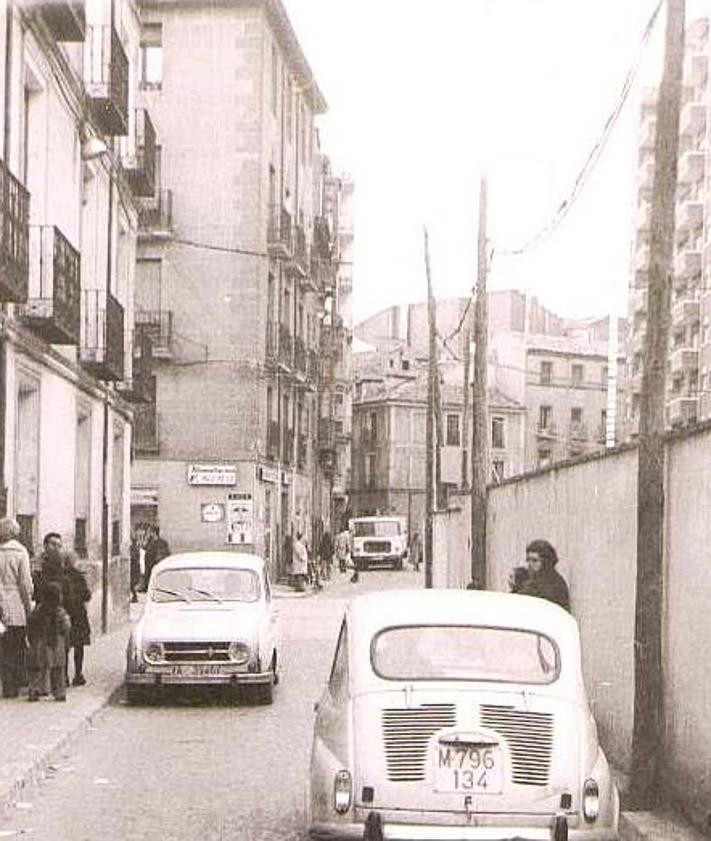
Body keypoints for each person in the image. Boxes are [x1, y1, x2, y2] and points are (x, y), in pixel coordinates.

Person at [0, 518, 33, 698]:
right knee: (17, 647)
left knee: (3, 648)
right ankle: (16, 684)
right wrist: (28, 608)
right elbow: (25, 584)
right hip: (16, 606)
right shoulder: (21, 552)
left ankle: (7, 686)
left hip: (0, 606)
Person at [27, 581, 71, 702]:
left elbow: (30, 624)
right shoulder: (60, 613)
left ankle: (34, 690)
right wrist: (66, 639)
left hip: (40, 644)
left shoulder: (38, 611)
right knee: (58, 671)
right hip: (57, 644)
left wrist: (32, 639)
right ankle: (59, 692)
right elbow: (66, 627)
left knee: (38, 670)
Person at [62, 551, 91, 686]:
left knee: (65, 647)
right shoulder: (79, 576)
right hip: (78, 614)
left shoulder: (61, 575)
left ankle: (64, 676)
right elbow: (87, 595)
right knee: (79, 646)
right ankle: (78, 674)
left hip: (65, 613)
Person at [517, 539, 570, 612]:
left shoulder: (554, 584)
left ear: (546, 562)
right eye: (528, 560)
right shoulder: (531, 580)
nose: (530, 564)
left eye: (535, 561)